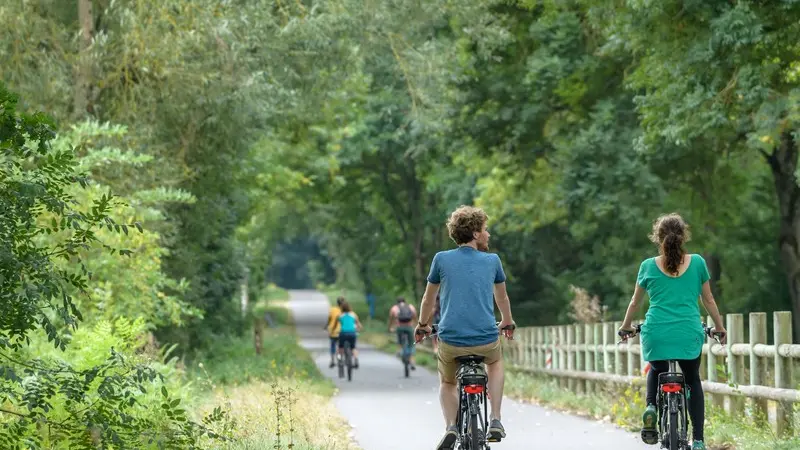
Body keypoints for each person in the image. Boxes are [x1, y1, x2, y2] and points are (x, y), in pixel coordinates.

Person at [618, 213, 727, 450]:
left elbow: (635, 303)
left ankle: (651, 407)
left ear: (658, 237)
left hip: (656, 332)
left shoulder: (647, 266)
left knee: (656, 370)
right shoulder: (698, 262)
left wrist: (626, 326)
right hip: (688, 332)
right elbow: (708, 299)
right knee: (692, 380)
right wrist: (719, 327)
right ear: (684, 235)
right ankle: (698, 440)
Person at [414, 205, 515, 450]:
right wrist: (507, 322)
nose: (488, 234)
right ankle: (496, 419)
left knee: (448, 382)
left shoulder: (441, 259)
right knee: (495, 363)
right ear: (476, 233)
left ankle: (451, 426)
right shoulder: (492, 261)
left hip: (451, 341)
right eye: (485, 229)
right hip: (486, 340)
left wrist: (423, 325)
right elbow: (501, 299)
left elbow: (429, 299)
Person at [388, 296, 417, 370]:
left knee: (399, 340)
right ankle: (412, 361)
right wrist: (415, 324)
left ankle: (399, 350)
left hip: (400, 327)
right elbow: (415, 316)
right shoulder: (410, 306)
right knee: (411, 344)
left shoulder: (394, 308)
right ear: (405, 301)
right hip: (409, 327)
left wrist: (390, 327)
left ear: (397, 302)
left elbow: (391, 318)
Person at [337, 300, 363, 368]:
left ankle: (340, 359)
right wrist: (358, 330)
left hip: (343, 333)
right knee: (353, 347)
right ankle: (356, 360)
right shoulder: (353, 314)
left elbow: (338, 324)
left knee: (340, 347)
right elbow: (359, 325)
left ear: (341, 308)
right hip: (352, 333)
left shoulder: (340, 315)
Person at [323, 297, 344, 368]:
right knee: (340, 345)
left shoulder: (332, 309)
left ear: (337, 303)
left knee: (332, 346)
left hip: (333, 331)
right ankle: (340, 357)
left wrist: (326, 326)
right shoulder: (345, 310)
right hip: (342, 331)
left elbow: (329, 319)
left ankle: (332, 360)